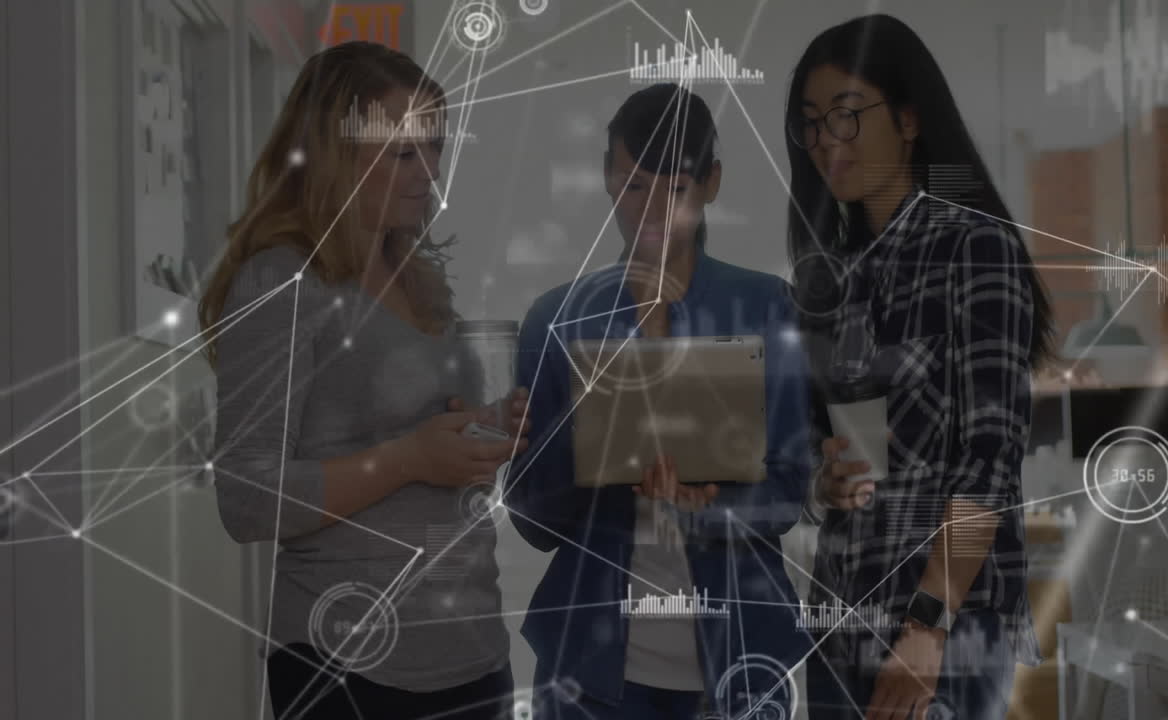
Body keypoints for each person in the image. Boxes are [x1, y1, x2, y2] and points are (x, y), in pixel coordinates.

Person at [198, 41, 528, 720]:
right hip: (349, 673)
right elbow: (245, 496)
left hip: (472, 658)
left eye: (434, 148)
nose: (429, 172)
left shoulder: (420, 281)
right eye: (404, 153)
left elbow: (440, 462)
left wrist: (484, 435)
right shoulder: (281, 281)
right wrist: (410, 459)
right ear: (334, 152)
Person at [505, 83, 813, 719]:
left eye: (673, 186)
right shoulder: (557, 320)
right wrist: (591, 455)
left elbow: (792, 487)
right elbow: (531, 519)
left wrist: (713, 506)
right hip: (591, 664)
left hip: (739, 655)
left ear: (712, 183)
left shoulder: (763, 308)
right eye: (633, 185)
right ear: (608, 183)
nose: (649, 210)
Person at [783, 15, 1056, 720]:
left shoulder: (975, 247)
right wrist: (824, 479)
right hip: (841, 618)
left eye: (845, 117)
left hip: (945, 630)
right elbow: (820, 453)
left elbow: (990, 456)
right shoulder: (831, 276)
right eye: (810, 124)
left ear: (908, 120)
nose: (823, 142)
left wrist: (927, 625)